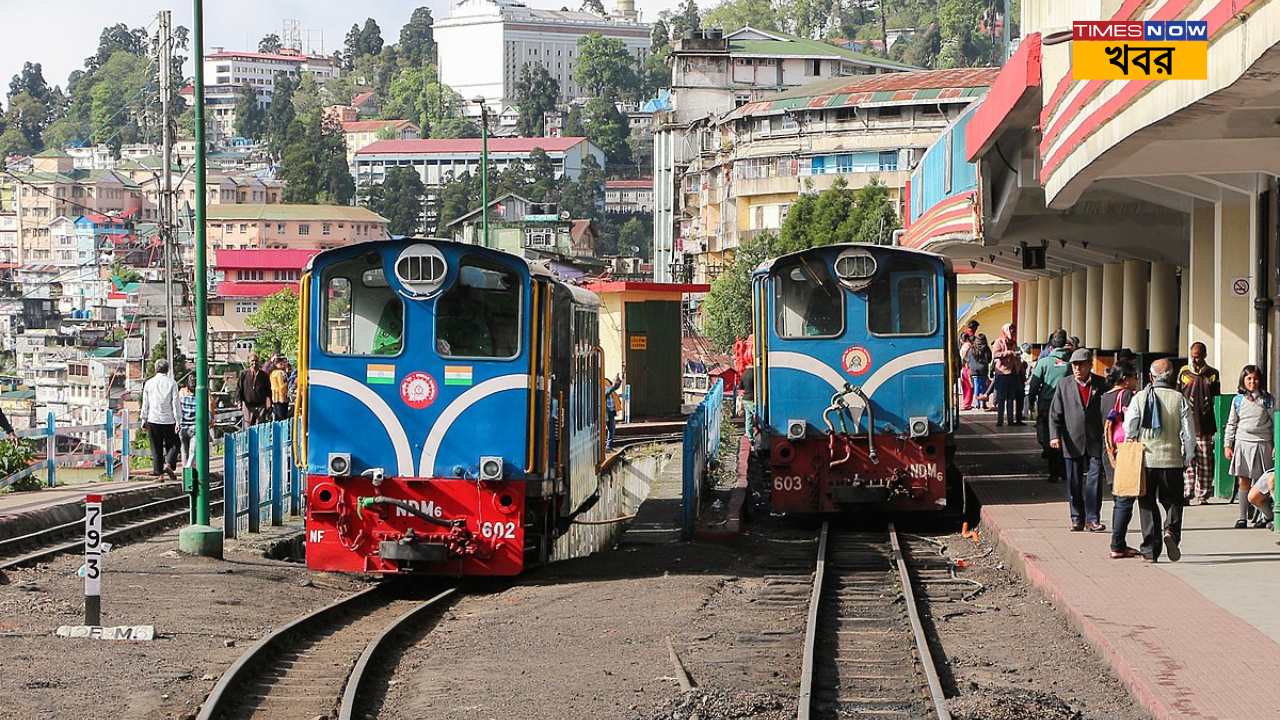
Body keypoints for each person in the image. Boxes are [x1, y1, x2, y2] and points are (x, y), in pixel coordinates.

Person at [1124, 358, 1196, 563]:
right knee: (1174, 500)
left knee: (1147, 503)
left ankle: (1150, 550)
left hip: (1146, 460)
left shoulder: (1140, 398)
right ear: (1171, 377)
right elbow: (1189, 434)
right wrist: (1187, 457)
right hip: (1172, 461)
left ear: (1150, 377)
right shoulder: (1179, 398)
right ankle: (1171, 532)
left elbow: (1130, 427)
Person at [1049, 348, 1108, 532]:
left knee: (1095, 479)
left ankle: (1093, 518)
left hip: (1095, 440)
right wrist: (1054, 436)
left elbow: (1107, 411)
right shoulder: (1063, 385)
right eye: (1074, 365)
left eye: (1082, 365)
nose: (1078, 369)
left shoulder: (1101, 384)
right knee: (1074, 481)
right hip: (1071, 439)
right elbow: (1054, 413)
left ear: (1090, 365)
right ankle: (1077, 517)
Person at [1222, 365, 1274, 528]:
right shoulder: (1238, 400)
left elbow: (1274, 423)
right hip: (1243, 443)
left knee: (1263, 482)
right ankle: (1242, 517)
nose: (1252, 381)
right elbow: (1232, 423)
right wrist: (1227, 445)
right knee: (1244, 480)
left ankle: (1265, 516)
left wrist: (1275, 446)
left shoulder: (1267, 399)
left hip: (1263, 443)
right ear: (1243, 380)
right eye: (1249, 378)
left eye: (1255, 378)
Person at [1102, 363, 1141, 558]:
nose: (1136, 380)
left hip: (1108, 452)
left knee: (1118, 498)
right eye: (1134, 376)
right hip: (1124, 451)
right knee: (1124, 500)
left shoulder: (1105, 397)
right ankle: (1117, 545)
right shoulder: (1127, 396)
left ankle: (1119, 542)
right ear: (1125, 378)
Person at [1179, 342, 1221, 505]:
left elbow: (1216, 398)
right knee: (1188, 460)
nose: (1194, 360)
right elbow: (1178, 393)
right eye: (1192, 357)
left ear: (1204, 355)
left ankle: (1202, 494)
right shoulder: (1184, 372)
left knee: (1205, 460)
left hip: (1205, 425)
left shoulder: (1212, 374)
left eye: (1197, 357)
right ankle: (1187, 492)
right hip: (1186, 425)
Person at [1028, 330, 1073, 482]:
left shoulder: (1044, 362)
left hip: (1047, 406)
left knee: (1051, 438)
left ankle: (1054, 473)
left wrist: (1031, 399)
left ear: (1051, 346)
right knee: (1065, 437)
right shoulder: (1071, 363)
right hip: (1067, 406)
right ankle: (1065, 471)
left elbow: (1034, 384)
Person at [141, 359, 181, 480]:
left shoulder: (148, 383)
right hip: (168, 419)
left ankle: (160, 474)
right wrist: (178, 420)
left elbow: (145, 403)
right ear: (167, 370)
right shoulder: (172, 383)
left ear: (155, 369)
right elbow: (175, 403)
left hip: (153, 419)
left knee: (156, 447)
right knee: (175, 444)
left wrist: (143, 419)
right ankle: (169, 464)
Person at [991, 324, 1022, 426]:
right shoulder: (999, 342)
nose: (1012, 333)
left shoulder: (1013, 342)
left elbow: (1016, 353)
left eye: (1014, 331)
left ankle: (1010, 420)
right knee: (1001, 398)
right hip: (1002, 373)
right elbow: (995, 354)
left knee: (1011, 398)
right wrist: (1008, 352)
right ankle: (1000, 420)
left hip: (1013, 373)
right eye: (1010, 330)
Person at [237, 353, 271, 429]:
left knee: (260, 426)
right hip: (248, 405)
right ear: (249, 362)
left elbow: (268, 390)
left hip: (260, 405)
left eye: (256, 361)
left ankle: (259, 441)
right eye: (252, 361)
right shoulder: (244, 375)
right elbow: (239, 389)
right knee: (248, 427)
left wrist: (269, 401)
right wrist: (239, 402)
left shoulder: (264, 375)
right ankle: (249, 441)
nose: (254, 363)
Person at [967, 333, 992, 411]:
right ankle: (984, 404)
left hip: (974, 370)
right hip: (983, 370)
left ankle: (977, 404)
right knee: (984, 387)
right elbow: (989, 359)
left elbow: (968, 359)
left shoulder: (972, 349)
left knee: (976, 387)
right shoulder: (986, 348)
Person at [179, 376, 197, 469]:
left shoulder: (182, 399)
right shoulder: (200, 400)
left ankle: (185, 473)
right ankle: (189, 469)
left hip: (183, 428)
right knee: (192, 452)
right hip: (194, 428)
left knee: (184, 452)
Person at [605, 374, 623, 449]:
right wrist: (613, 387)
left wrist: (618, 383)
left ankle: (609, 445)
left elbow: (613, 389)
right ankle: (605, 445)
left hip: (611, 408)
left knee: (611, 427)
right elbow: (604, 394)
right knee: (604, 427)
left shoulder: (606, 381)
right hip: (605, 409)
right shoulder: (596, 383)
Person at [959, 331, 975, 410]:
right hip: (968, 366)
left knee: (967, 385)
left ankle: (966, 403)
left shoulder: (966, 346)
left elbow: (964, 356)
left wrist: (962, 362)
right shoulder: (970, 345)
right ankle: (967, 402)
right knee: (967, 384)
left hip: (966, 366)